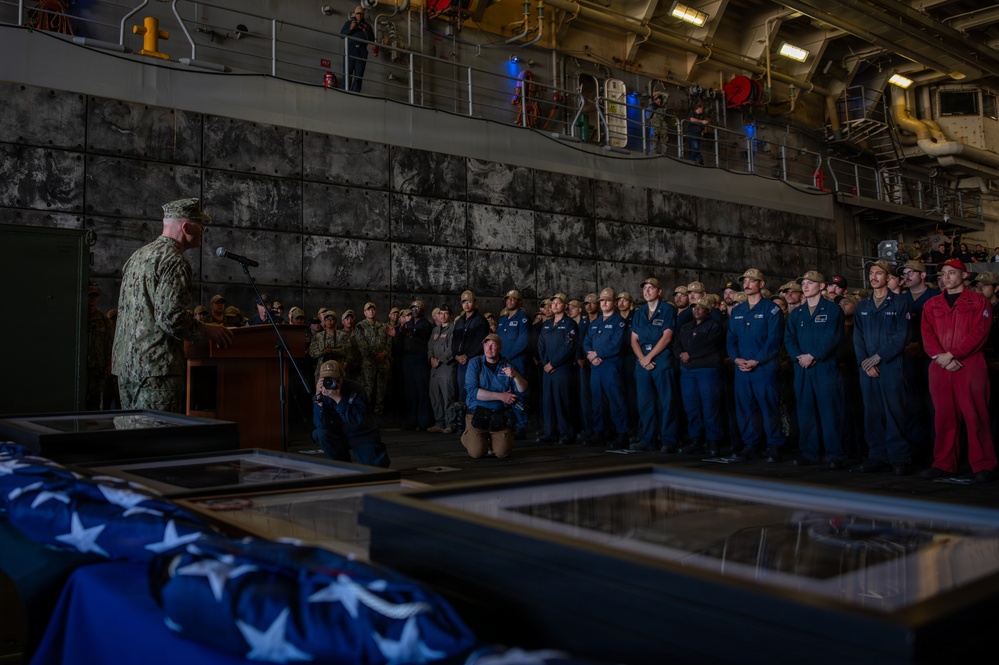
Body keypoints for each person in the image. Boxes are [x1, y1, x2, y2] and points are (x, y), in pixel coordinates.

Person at [111, 198, 234, 412]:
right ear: (186, 227)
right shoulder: (174, 261)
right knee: (158, 437)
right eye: (200, 225)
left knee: (131, 436)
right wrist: (207, 330)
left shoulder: (138, 256)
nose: (203, 230)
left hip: (127, 366)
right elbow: (171, 318)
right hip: (157, 369)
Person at [920, 259, 995, 483]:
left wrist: (953, 355)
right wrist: (941, 358)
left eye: (952, 273)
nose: (947, 277)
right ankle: (944, 463)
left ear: (964, 275)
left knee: (975, 415)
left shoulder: (979, 302)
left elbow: (979, 333)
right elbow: (927, 334)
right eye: (943, 274)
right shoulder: (932, 304)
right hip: (940, 366)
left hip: (969, 364)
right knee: (944, 417)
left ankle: (984, 465)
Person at [851, 259, 912, 476]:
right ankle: (877, 456)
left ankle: (898, 457)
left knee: (894, 411)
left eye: (879, 273)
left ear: (888, 277)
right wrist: (865, 363)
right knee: (872, 413)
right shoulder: (863, 306)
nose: (874, 277)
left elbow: (901, 336)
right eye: (872, 273)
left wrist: (878, 357)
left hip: (890, 366)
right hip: (868, 368)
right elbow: (857, 338)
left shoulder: (899, 303)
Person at [784, 271, 846, 469]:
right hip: (802, 368)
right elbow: (789, 338)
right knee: (806, 411)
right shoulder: (797, 313)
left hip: (824, 367)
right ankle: (810, 452)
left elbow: (832, 337)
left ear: (821, 286)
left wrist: (814, 356)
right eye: (804, 283)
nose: (806, 286)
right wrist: (798, 356)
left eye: (811, 283)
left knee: (830, 412)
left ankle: (834, 454)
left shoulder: (832, 309)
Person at [726, 268, 785, 462]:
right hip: (742, 369)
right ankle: (752, 444)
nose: (747, 284)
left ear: (761, 284)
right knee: (746, 408)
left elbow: (773, 341)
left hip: (764, 368)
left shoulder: (771, 309)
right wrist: (736, 359)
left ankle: (774, 445)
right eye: (745, 281)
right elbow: (731, 339)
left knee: (768, 407)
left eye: (752, 281)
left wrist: (756, 360)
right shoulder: (738, 310)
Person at [628, 278, 679, 453]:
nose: (647, 291)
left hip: (661, 360)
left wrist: (649, 357)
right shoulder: (639, 312)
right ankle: (648, 439)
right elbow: (634, 339)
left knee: (666, 402)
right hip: (642, 362)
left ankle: (668, 440)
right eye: (645, 288)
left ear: (659, 291)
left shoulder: (667, 310)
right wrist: (642, 358)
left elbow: (667, 337)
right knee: (645, 403)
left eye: (651, 288)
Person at [460, 334, 528, 459]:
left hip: (499, 414)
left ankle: (492, 441)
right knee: (476, 453)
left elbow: (523, 390)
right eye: (486, 344)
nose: (489, 348)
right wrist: (501, 396)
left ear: (500, 348)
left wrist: (515, 376)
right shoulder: (476, 363)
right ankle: (468, 436)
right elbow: (473, 392)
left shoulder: (508, 365)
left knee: (502, 453)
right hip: (477, 413)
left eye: (493, 345)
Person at [312, 360, 390, 467]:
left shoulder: (355, 388)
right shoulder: (322, 393)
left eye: (334, 378)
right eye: (325, 379)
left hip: (361, 434)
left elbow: (358, 422)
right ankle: (341, 465)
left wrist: (338, 399)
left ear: (341, 376)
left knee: (377, 469)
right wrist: (318, 400)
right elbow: (320, 424)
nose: (330, 382)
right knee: (322, 433)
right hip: (340, 434)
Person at [673, 295, 725, 457]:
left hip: (707, 371)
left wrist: (690, 354)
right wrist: (681, 353)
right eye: (694, 307)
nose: (696, 310)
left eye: (700, 307)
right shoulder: (686, 327)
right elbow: (676, 343)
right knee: (691, 407)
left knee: (710, 407)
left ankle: (713, 442)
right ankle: (696, 439)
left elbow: (708, 345)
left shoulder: (714, 326)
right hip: (688, 372)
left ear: (708, 310)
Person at [583, 287, 630, 449]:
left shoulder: (619, 322)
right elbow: (586, 341)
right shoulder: (595, 323)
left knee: (616, 400)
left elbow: (616, 345)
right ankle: (599, 431)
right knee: (597, 401)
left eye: (607, 300)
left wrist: (597, 355)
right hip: (596, 368)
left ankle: (622, 433)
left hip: (611, 366)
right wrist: (590, 355)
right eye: (602, 300)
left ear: (614, 303)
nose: (604, 303)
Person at [537, 293, 579, 445]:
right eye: (552, 303)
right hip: (547, 369)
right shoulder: (547, 325)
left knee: (562, 401)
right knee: (548, 402)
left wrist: (553, 363)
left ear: (565, 306)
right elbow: (541, 345)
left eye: (558, 303)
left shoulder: (570, 324)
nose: (554, 305)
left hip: (561, 368)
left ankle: (566, 433)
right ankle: (550, 433)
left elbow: (569, 346)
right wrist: (545, 363)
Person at [496, 289, 531, 437]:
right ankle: (510, 422)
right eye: (508, 299)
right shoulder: (503, 319)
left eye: (513, 299)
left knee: (518, 393)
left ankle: (522, 425)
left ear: (519, 302)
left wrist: (507, 358)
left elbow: (523, 342)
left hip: (515, 361)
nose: (510, 301)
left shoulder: (523, 318)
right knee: (505, 391)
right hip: (502, 362)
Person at [354, 302, 391, 417]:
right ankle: (366, 414)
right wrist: (376, 355)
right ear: (365, 312)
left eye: (373, 309)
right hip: (368, 363)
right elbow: (362, 345)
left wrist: (384, 354)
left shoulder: (384, 326)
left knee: (381, 390)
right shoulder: (360, 326)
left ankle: (379, 413)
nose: (371, 311)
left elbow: (389, 343)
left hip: (382, 363)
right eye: (368, 310)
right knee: (368, 390)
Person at [401, 299, 433, 430]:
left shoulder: (426, 325)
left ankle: (423, 421)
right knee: (410, 392)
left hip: (420, 359)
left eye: (417, 309)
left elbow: (423, 339)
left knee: (421, 391)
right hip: (408, 359)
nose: (414, 311)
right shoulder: (407, 324)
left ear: (422, 311)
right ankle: (411, 420)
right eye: (413, 309)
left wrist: (410, 333)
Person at [428, 303, 457, 434]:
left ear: (450, 315)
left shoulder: (453, 329)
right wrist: (431, 359)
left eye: (446, 313)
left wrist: (439, 360)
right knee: (435, 396)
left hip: (446, 367)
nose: (443, 316)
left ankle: (450, 424)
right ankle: (439, 423)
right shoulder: (435, 330)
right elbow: (430, 346)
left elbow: (452, 348)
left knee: (447, 396)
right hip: (434, 369)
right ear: (438, 315)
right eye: (441, 313)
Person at [86, 284, 113, 410]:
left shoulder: (103, 320)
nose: (92, 298)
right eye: (90, 295)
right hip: (81, 366)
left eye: (95, 296)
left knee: (95, 399)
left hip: (97, 366)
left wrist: (108, 363)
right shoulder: (78, 317)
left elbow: (108, 342)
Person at [341, 6, 374, 93]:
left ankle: (355, 93)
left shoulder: (367, 26)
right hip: (350, 52)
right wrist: (351, 28)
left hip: (361, 52)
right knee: (347, 74)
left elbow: (371, 40)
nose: (359, 16)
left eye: (361, 14)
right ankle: (344, 91)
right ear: (355, 14)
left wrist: (365, 30)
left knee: (358, 76)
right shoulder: (349, 23)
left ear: (363, 15)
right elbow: (341, 35)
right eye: (358, 14)